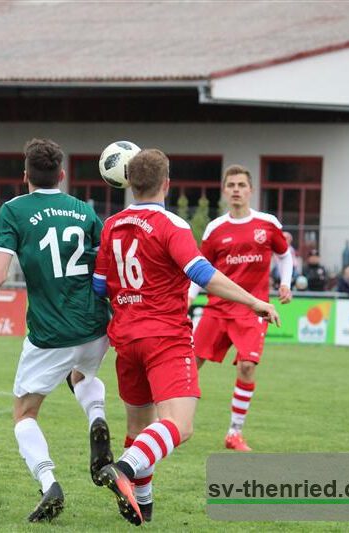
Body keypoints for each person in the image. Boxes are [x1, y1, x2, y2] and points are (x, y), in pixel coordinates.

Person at [93, 150, 280, 526]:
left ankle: (142, 503)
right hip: (165, 337)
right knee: (180, 425)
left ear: (129, 182)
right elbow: (202, 273)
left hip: (126, 339)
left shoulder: (111, 224)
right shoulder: (171, 225)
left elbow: (99, 287)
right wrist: (253, 301)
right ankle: (125, 470)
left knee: (139, 429)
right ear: (166, 183)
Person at [0, 138, 113, 523]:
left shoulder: (14, 210)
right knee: (81, 375)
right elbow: (105, 266)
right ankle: (97, 417)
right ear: (61, 175)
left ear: (24, 175)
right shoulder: (83, 210)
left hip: (50, 332)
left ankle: (49, 483)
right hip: (95, 325)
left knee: (25, 412)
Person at [189, 164, 292, 453]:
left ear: (250, 190)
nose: (236, 189)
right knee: (189, 365)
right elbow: (199, 268)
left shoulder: (267, 224)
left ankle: (234, 433)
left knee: (247, 365)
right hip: (216, 309)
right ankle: (172, 422)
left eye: (241, 185)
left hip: (252, 310)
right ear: (224, 190)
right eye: (231, 185)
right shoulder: (214, 229)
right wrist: (188, 296)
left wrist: (285, 283)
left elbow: (285, 256)